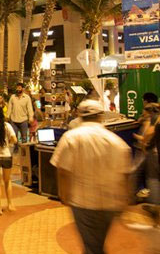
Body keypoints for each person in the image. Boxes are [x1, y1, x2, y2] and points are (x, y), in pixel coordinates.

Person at [51, 100, 131, 254]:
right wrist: (124, 200)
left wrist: (64, 194)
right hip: (110, 203)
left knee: (92, 246)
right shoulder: (116, 141)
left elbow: (62, 170)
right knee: (97, 243)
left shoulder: (71, 138)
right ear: (101, 116)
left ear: (79, 116)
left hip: (83, 202)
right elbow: (125, 173)